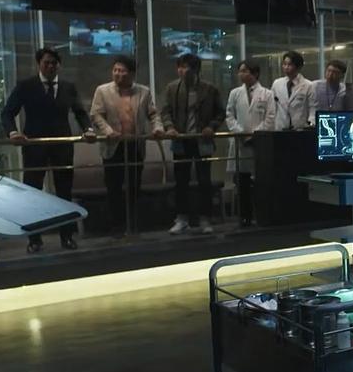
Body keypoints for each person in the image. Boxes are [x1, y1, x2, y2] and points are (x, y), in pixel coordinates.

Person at [0, 47, 96, 252]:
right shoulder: (26, 86)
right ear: (39, 64)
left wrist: (88, 129)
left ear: (58, 65)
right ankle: (34, 239)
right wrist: (13, 133)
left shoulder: (68, 87)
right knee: (32, 193)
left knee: (64, 192)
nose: (50, 66)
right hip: (34, 146)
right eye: (46, 63)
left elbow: (80, 112)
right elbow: (7, 113)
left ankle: (67, 237)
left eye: (54, 63)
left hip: (62, 145)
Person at [90, 56, 164, 236]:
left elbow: (153, 114)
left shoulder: (143, 92)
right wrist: (108, 131)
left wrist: (158, 128)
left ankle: (133, 224)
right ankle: (117, 226)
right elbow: (96, 115)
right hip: (113, 146)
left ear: (132, 74)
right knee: (113, 187)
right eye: (115, 70)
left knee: (134, 187)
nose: (118, 74)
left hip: (134, 145)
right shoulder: (102, 91)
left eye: (122, 71)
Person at [161, 53, 226, 235]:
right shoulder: (172, 88)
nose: (181, 71)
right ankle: (181, 219)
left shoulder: (209, 89)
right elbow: (165, 111)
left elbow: (220, 113)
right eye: (179, 67)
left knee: (204, 180)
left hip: (202, 140)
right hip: (180, 140)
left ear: (196, 70)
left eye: (185, 67)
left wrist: (211, 126)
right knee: (181, 181)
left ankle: (205, 218)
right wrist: (169, 127)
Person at [225, 60, 276, 227]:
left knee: (260, 183)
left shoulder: (267, 94)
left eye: (245, 71)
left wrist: (255, 135)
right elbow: (229, 115)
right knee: (242, 183)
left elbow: (270, 118)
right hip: (240, 142)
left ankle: (261, 216)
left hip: (259, 143)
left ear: (255, 73)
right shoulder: (235, 93)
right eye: (240, 71)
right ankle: (244, 217)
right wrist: (240, 132)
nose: (241, 74)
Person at [271, 50, 314, 130]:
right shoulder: (277, 84)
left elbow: (312, 109)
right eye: (284, 64)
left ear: (298, 67)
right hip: (280, 128)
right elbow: (272, 107)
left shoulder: (308, 85)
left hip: (300, 129)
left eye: (290, 65)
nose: (286, 67)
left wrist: (310, 125)